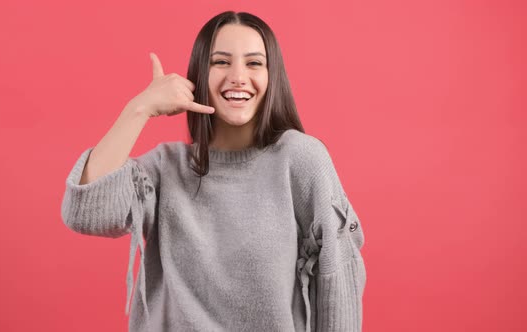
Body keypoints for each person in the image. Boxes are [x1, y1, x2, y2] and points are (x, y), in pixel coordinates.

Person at [61, 11, 366, 332]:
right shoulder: (166, 167)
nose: (237, 76)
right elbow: (85, 213)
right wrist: (140, 108)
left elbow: (339, 278)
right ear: (198, 75)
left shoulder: (300, 158)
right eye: (221, 62)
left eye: (253, 63)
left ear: (272, 75)